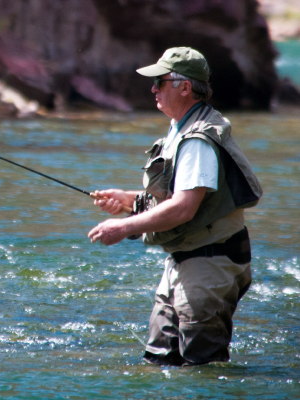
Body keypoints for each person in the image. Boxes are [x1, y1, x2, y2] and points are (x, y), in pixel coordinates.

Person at [87, 47, 263, 366]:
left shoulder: (197, 140)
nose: (153, 88)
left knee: (203, 369)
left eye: (160, 81)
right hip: (184, 261)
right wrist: (129, 201)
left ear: (185, 87)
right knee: (160, 361)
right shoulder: (180, 128)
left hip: (208, 264)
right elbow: (175, 195)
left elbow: (184, 208)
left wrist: (124, 227)